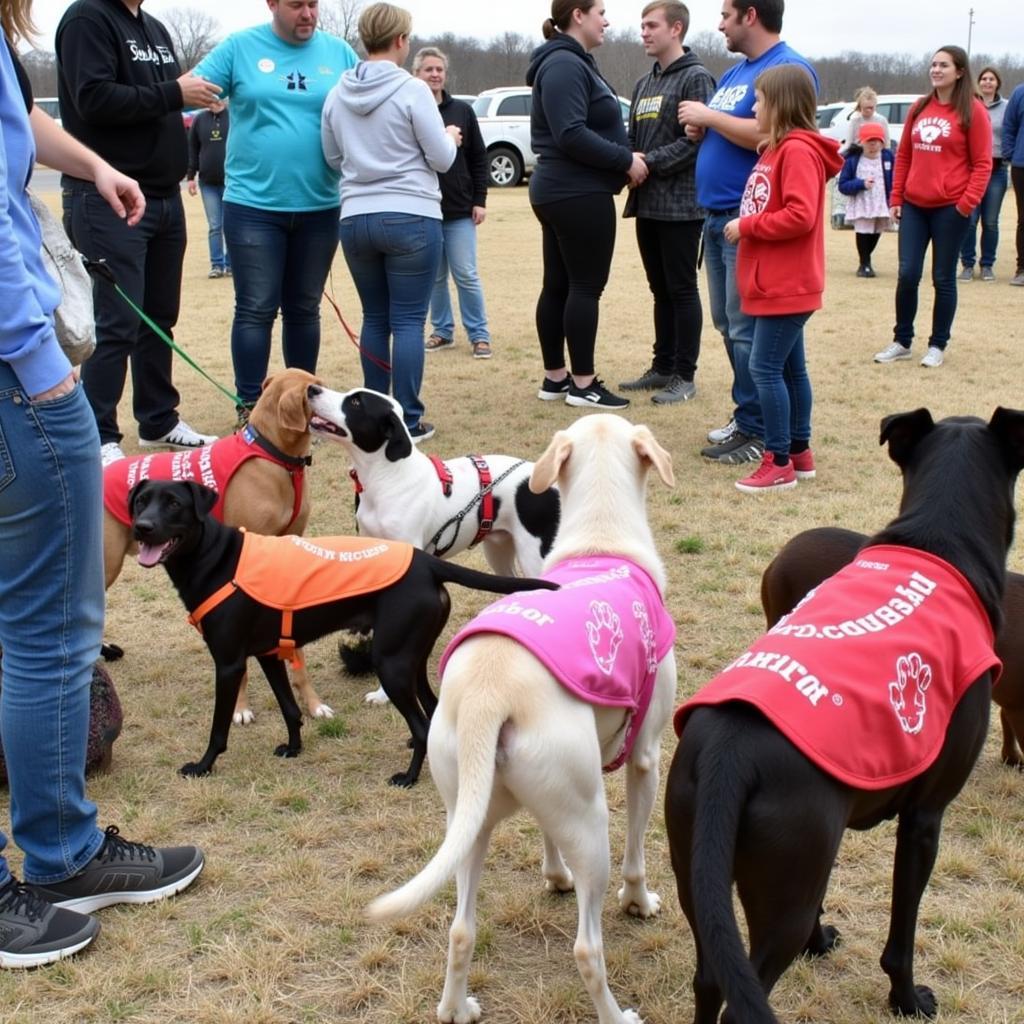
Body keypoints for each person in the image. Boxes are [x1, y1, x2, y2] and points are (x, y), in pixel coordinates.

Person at [1, 8, 203, 969]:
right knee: (49, 628)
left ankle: (59, 850)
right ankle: (59, 856)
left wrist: (86, 161)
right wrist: (29, 354)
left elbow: (12, 121)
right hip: (15, 371)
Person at [56, 0, 221, 465]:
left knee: (158, 317)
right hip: (109, 196)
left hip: (164, 197)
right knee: (116, 321)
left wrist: (178, 93)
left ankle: (159, 419)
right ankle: (100, 435)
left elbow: (161, 98)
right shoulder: (87, 18)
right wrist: (173, 92)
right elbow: (94, 98)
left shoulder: (153, 27)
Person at [194, 0, 358, 427]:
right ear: (271, 4)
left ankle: (303, 404)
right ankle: (250, 408)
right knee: (255, 308)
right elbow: (188, 89)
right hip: (253, 206)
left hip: (320, 205)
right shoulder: (239, 48)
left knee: (304, 309)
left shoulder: (339, 53)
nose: (307, 13)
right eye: (296, 4)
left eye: (313, 4)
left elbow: (370, 103)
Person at [677, 0, 817, 465]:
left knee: (747, 332)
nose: (718, 24)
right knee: (728, 323)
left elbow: (769, 130)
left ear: (750, 15)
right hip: (719, 218)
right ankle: (751, 417)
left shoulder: (788, 68)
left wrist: (711, 118)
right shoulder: (738, 72)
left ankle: (760, 429)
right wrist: (705, 129)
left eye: (725, 15)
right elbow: (739, 127)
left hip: (748, 220)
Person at [321, 2, 458, 442]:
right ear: (402, 41)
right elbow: (441, 157)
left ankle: (372, 415)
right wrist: (450, 137)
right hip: (411, 214)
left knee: (375, 318)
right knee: (408, 321)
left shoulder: (337, 92)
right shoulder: (413, 90)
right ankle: (409, 418)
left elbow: (331, 156)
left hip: (357, 215)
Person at [723, 65, 841, 493]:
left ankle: (777, 462)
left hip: (787, 284)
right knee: (791, 369)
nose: (754, 106)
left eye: (760, 99)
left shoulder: (797, 152)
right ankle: (799, 452)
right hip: (774, 281)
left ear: (781, 104)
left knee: (764, 367)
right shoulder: (776, 149)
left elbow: (800, 214)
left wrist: (747, 226)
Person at [527, 0, 648, 410]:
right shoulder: (564, 64)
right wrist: (625, 160)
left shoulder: (572, 61)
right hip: (575, 191)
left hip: (564, 189)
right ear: (577, 14)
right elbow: (570, 133)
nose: (607, 20)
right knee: (583, 287)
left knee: (560, 284)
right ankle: (582, 383)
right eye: (601, 12)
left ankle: (556, 378)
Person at [619, 0, 715, 406]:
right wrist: (627, 160)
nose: (644, 32)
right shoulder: (644, 84)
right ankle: (662, 366)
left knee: (681, 288)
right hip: (647, 202)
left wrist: (647, 163)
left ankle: (684, 375)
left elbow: (696, 143)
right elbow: (632, 140)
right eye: (642, 24)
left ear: (676, 29)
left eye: (651, 24)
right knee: (659, 290)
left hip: (681, 205)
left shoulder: (696, 78)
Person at [873, 46, 991, 369]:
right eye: (933, 64)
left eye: (944, 65)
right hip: (914, 205)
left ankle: (938, 344)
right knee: (908, 274)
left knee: (943, 278)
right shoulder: (919, 107)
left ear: (960, 71)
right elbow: (905, 157)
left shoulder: (973, 111)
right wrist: (896, 198)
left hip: (950, 209)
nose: (936, 70)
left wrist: (965, 205)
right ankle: (902, 341)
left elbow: (982, 164)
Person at [413, 47, 493, 361]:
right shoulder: (412, 109)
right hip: (425, 208)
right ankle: (442, 331)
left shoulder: (462, 110)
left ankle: (479, 335)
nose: (434, 75)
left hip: (459, 209)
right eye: (428, 70)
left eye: (439, 70)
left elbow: (478, 157)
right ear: (416, 74)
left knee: (466, 274)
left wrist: (480, 200)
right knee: (433, 276)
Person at [958, 67, 1008, 282]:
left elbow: (1012, 131)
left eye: (992, 79)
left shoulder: (1006, 107)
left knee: (990, 221)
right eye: (984, 79)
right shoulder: (968, 104)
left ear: (997, 83)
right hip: (971, 170)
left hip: (996, 170)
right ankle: (967, 264)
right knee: (969, 219)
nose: (987, 82)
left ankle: (987, 264)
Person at [837, 121, 894, 278]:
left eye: (876, 141)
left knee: (876, 231)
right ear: (861, 142)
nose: (873, 145)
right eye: (869, 141)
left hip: (881, 202)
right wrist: (860, 184)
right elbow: (843, 185)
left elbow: (895, 178)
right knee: (863, 230)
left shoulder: (888, 157)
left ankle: (866, 258)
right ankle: (865, 263)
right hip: (862, 203)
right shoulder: (853, 160)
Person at [187, 99, 231, 279]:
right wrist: (191, 176)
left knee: (230, 225)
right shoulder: (199, 119)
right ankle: (217, 264)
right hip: (208, 182)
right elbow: (193, 148)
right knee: (215, 225)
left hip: (232, 181)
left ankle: (231, 264)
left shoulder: (233, 116)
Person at [1006, 81, 1024, 287]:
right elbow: (1009, 126)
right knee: (1023, 219)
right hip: (1022, 165)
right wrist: (1012, 155)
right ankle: (1022, 268)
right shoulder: (1019, 92)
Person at [841, 86, 891, 152]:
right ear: (860, 107)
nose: (868, 111)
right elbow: (848, 144)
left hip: (877, 156)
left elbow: (887, 144)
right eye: (865, 108)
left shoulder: (881, 120)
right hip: (858, 154)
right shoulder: (855, 121)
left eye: (871, 108)